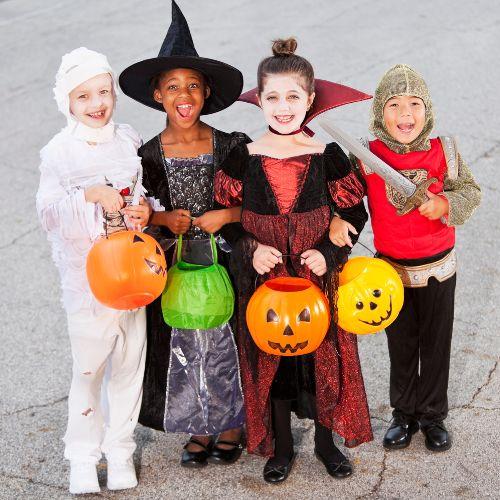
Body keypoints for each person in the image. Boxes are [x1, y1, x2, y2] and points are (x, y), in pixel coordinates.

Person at [214, 38, 373, 484]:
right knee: (274, 359)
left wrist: (330, 251)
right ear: (259, 100)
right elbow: (226, 218)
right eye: (273, 97)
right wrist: (249, 246)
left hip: (315, 275)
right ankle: (281, 447)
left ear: (309, 100)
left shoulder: (328, 155)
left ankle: (325, 443)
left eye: (293, 97)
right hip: (265, 278)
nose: (283, 107)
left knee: (321, 358)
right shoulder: (244, 156)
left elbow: (354, 213)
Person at [119, 1, 248, 468]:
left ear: (206, 91)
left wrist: (227, 213)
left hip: (226, 259)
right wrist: (160, 221)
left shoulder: (231, 145)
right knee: (185, 340)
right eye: (172, 86)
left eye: (193, 84)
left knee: (225, 337)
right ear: (157, 95)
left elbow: (257, 202)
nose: (184, 94)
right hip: (175, 263)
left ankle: (232, 422)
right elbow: (139, 210)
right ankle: (197, 425)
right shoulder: (147, 154)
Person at [330, 64, 481, 452]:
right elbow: (346, 200)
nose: (405, 115)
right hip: (391, 270)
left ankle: (433, 415)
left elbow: (470, 191)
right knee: (401, 344)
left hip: (438, 268)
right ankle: (404, 413)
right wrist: (334, 217)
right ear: (380, 111)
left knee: (435, 342)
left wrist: (445, 202)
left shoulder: (443, 150)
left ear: (426, 110)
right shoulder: (367, 156)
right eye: (394, 106)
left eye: (414, 104)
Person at [36, 47, 152, 494]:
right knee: (89, 371)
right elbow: (47, 213)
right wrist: (89, 198)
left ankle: (120, 450)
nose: (96, 104)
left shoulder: (127, 139)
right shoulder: (59, 153)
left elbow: (143, 195)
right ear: (67, 101)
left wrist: (143, 210)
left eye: (102, 92)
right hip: (89, 284)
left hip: (133, 276)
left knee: (129, 367)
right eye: (83, 96)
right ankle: (82, 458)